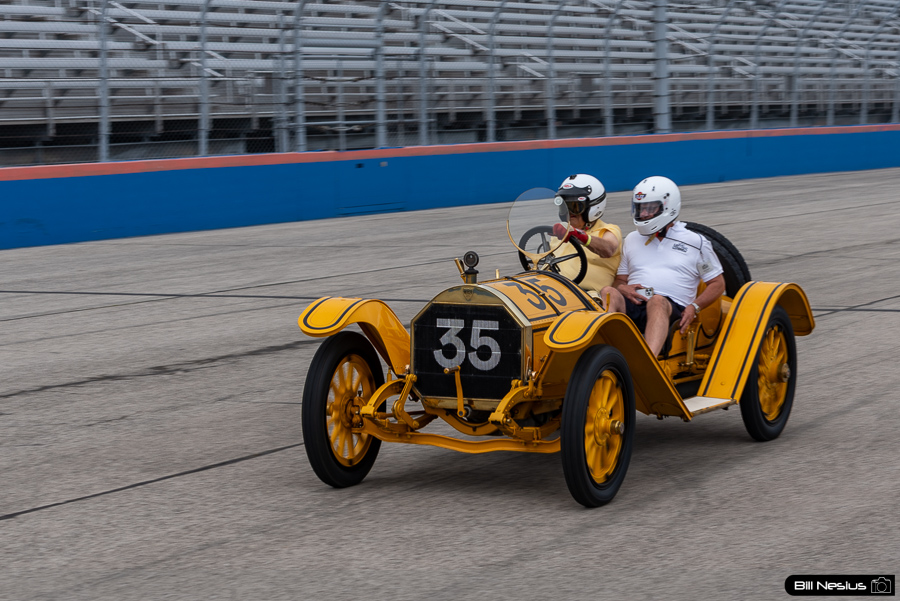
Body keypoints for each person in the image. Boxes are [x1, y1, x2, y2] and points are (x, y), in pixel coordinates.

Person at [599, 176, 726, 357]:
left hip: (672, 305)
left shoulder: (696, 242)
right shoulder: (632, 239)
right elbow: (620, 281)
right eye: (640, 208)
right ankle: (608, 356)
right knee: (608, 292)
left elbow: (717, 284)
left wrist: (694, 307)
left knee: (657, 301)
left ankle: (647, 362)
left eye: (650, 208)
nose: (643, 214)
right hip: (637, 299)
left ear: (668, 206)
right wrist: (623, 288)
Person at [549, 174, 622, 294]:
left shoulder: (609, 230)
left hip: (590, 296)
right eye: (564, 206)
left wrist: (580, 235)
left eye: (575, 207)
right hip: (556, 292)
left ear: (593, 207)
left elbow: (608, 248)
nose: (569, 212)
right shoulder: (559, 234)